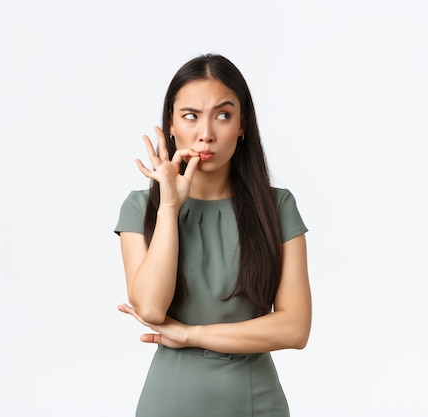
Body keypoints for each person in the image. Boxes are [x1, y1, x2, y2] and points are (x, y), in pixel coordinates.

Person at [115, 53, 311, 417]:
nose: (206, 133)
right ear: (171, 125)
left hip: (258, 404)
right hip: (170, 403)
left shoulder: (277, 207)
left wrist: (191, 335)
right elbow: (151, 308)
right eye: (190, 116)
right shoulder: (141, 208)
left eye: (223, 115)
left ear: (242, 125)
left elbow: (295, 327)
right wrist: (170, 208)